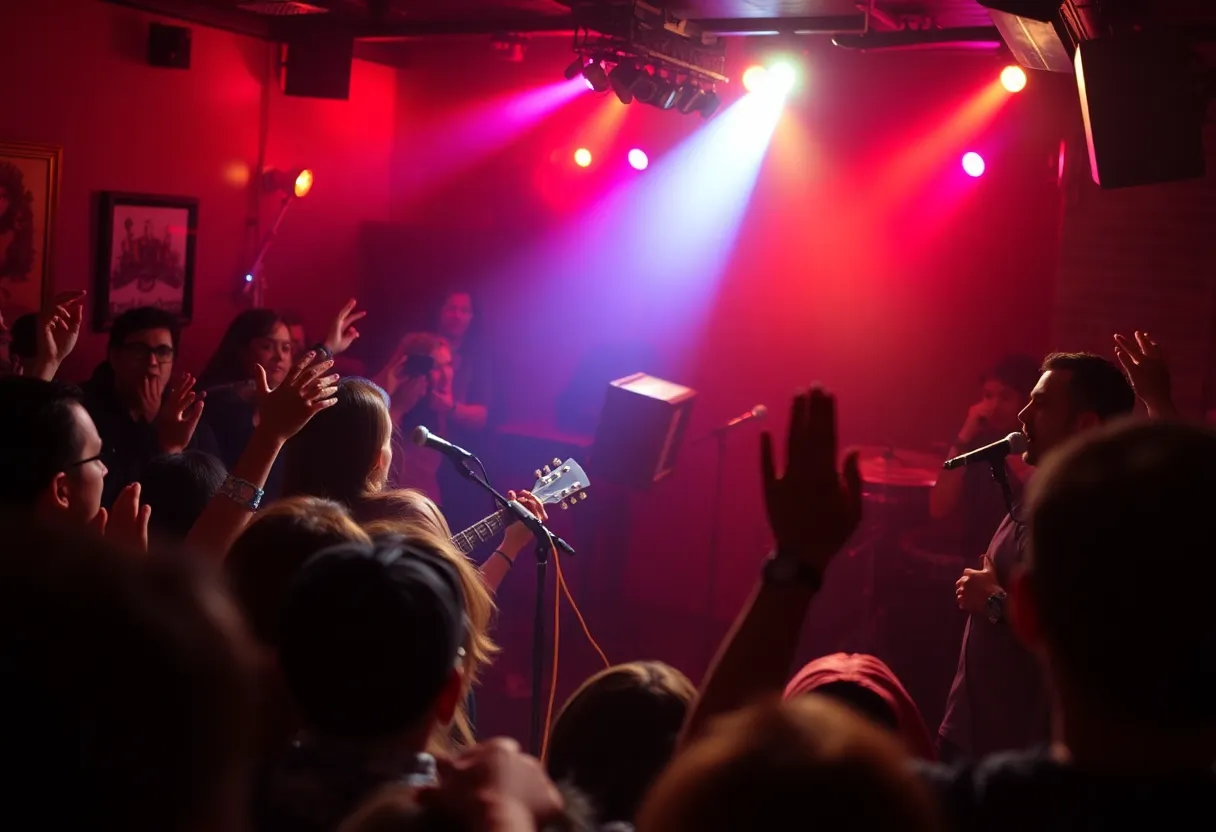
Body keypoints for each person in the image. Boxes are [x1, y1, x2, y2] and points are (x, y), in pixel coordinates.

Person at [922, 419, 1216, 831]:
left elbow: (813, 788)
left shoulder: (968, 809)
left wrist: (801, 568)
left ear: (1029, 611)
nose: (1024, 416)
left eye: (1041, 402)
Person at [937, 353, 1135, 761]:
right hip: (975, 732)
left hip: (1013, 750)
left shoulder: (1084, 516)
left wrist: (991, 600)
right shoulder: (1041, 494)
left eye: (1040, 403)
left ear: (1085, 425)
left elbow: (1074, 638)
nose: (1024, 415)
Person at [80, 306, 214, 507]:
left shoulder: (188, 413)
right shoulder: (83, 410)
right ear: (114, 357)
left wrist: (157, 421)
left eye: (162, 352)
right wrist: (153, 432)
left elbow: (208, 491)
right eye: (139, 351)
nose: (152, 362)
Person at [929, 355, 1039, 556]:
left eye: (1005, 397)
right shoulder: (977, 442)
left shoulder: (1040, 444)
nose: (994, 407)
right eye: (988, 396)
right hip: (975, 563)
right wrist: (964, 437)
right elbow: (939, 508)